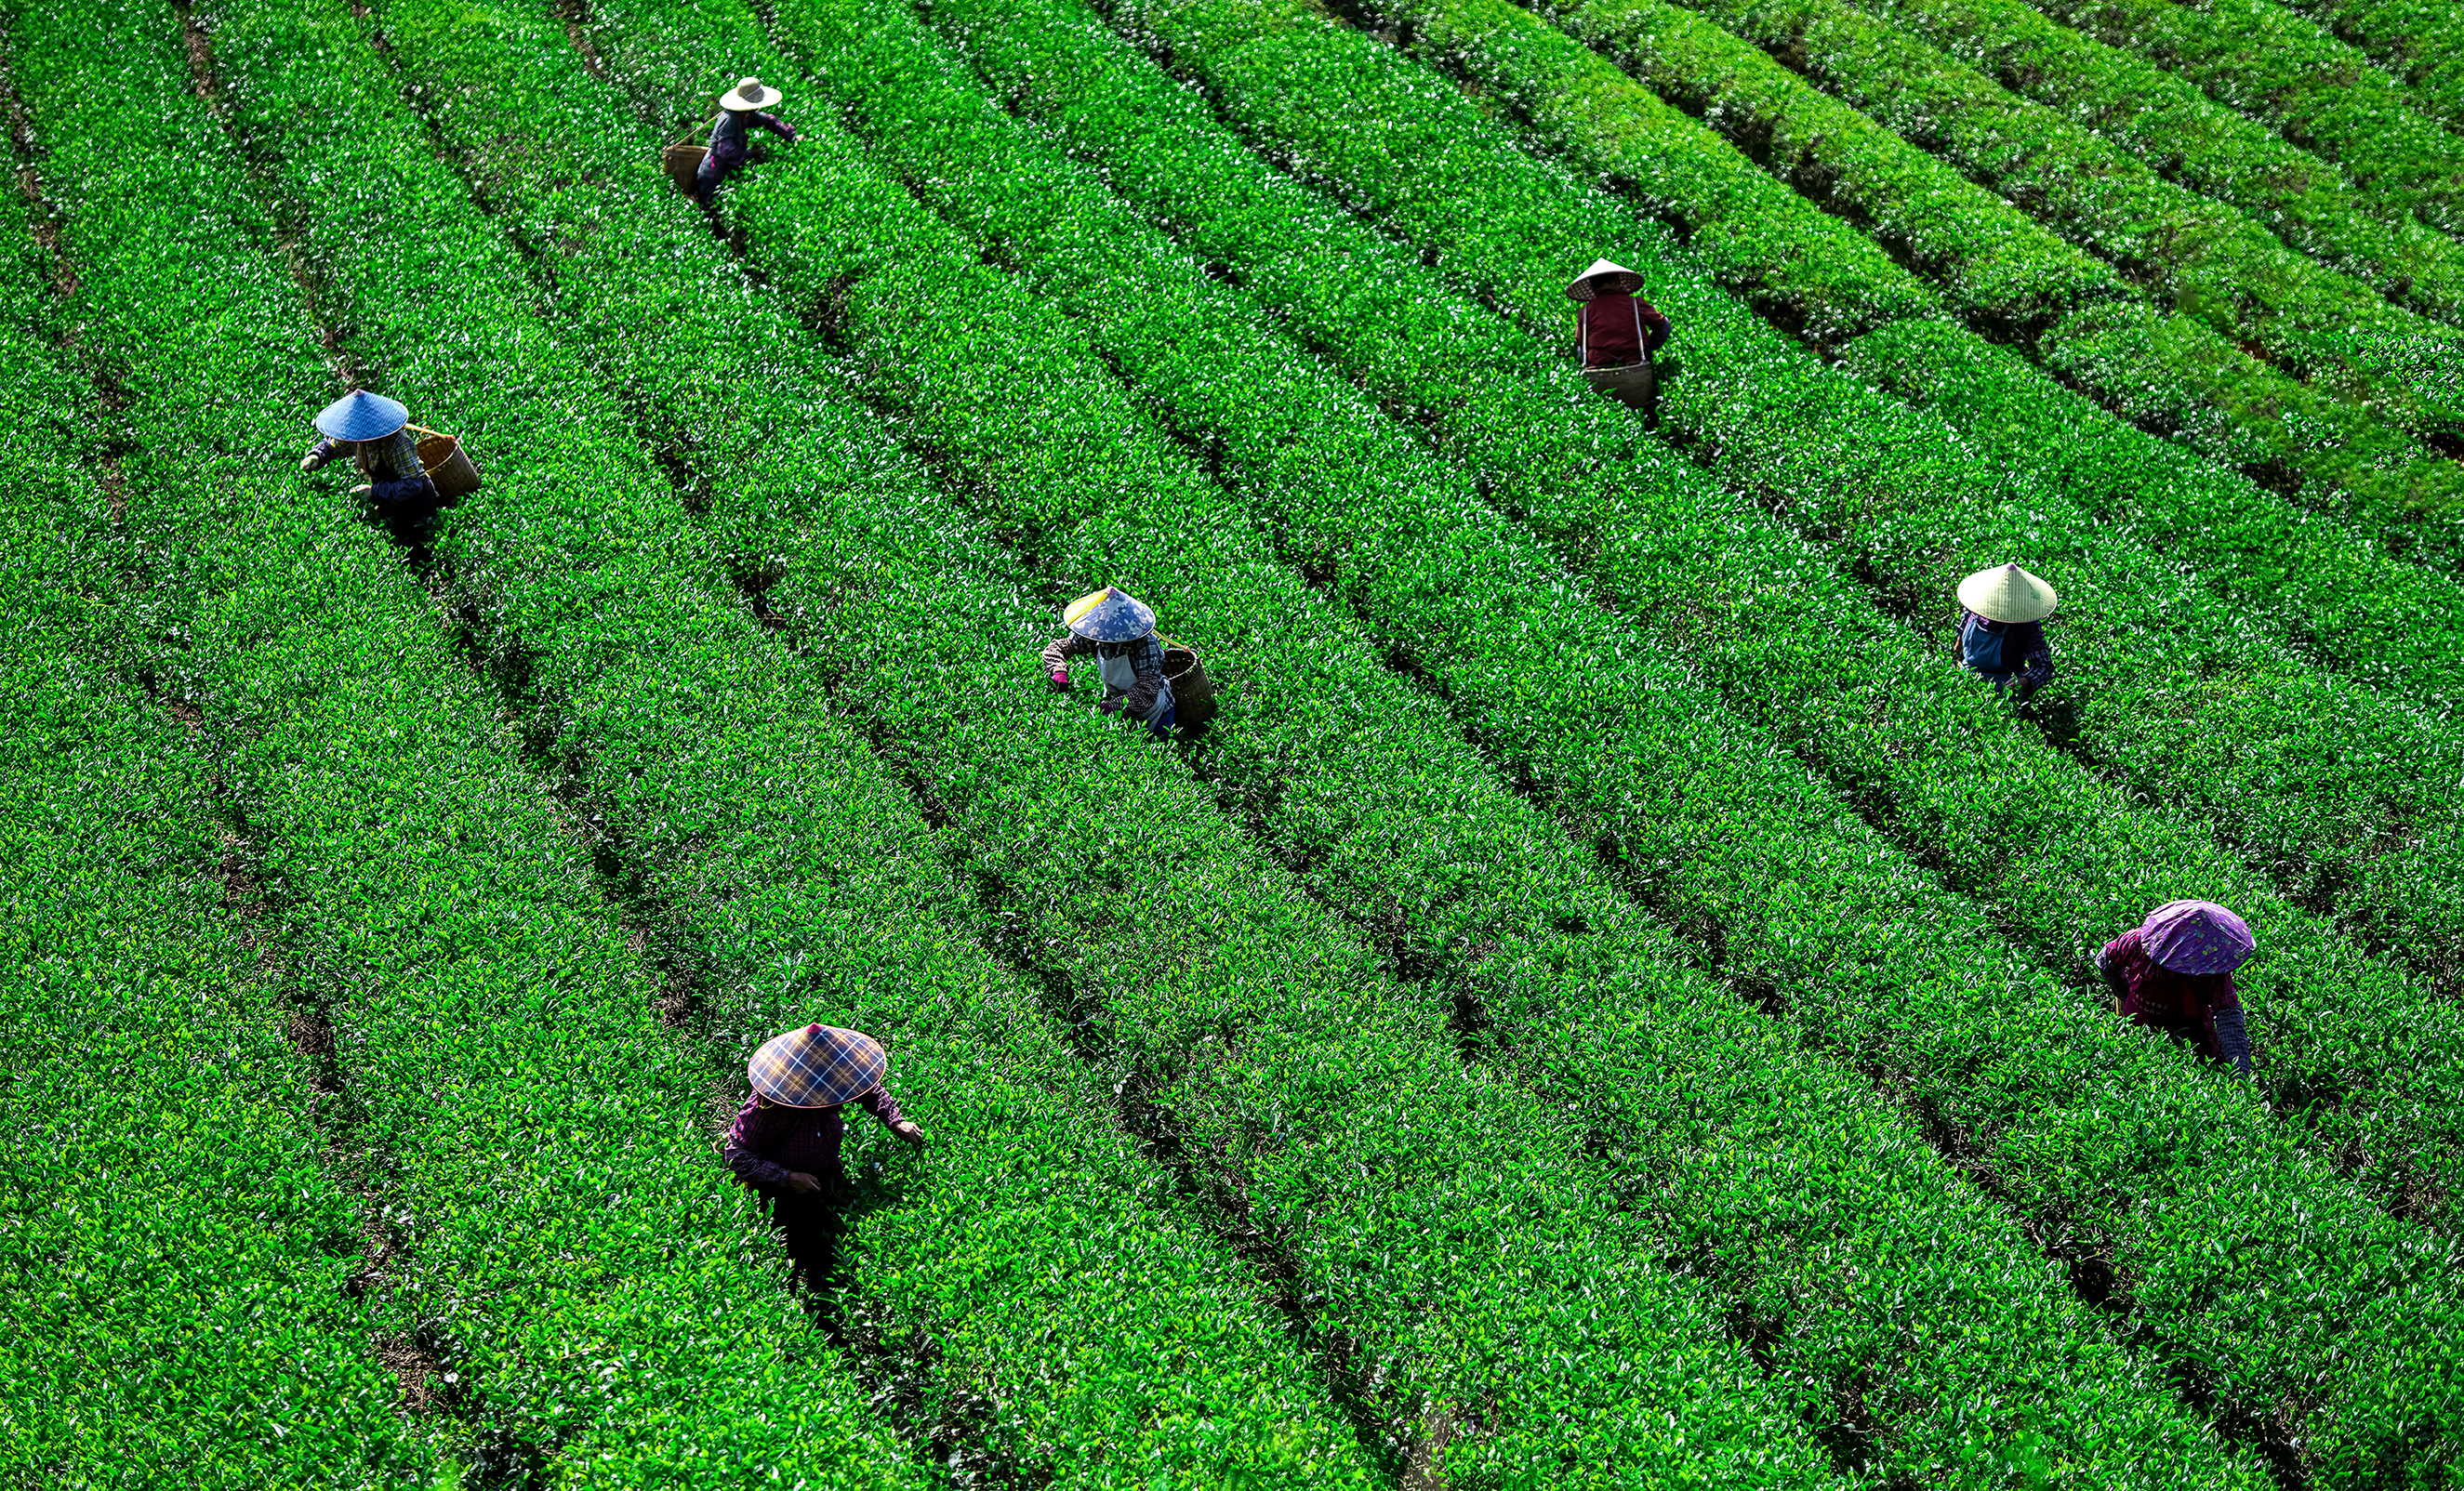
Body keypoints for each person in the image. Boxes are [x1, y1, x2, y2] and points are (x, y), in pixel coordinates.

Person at [722, 1023, 924, 1287]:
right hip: (781, 1196)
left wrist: (895, 1121)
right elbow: (735, 1155)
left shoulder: (833, 1078)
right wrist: (788, 1178)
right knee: (791, 1258)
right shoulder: (769, 1106)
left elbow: (869, 1089)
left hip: (826, 1179)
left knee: (833, 1254)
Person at [2096, 900, 2254, 1076]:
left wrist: (2239, 1075)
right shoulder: (2138, 944)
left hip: (2191, 1050)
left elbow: (2229, 1017)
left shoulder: (2212, 972)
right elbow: (2105, 960)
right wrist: (2124, 994)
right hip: (2135, 1038)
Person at [1042, 586, 1176, 740]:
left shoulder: (1145, 644)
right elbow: (1056, 648)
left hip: (1155, 712)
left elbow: (1146, 693)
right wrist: (1059, 670)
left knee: (1155, 752)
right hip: (1119, 704)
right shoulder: (1097, 632)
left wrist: (1111, 707)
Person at [1566, 258, 1671, 426]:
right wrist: (1648, 347)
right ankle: (1647, 357)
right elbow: (1661, 325)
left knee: (1581, 348)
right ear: (1617, 281)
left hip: (1598, 371)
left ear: (1593, 287)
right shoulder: (1635, 303)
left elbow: (1580, 341)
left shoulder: (1585, 311)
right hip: (1635, 366)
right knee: (1665, 324)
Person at [298, 389, 437, 512]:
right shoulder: (356, 435)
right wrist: (317, 456)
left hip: (416, 506)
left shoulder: (398, 442)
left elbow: (413, 485)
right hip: (388, 502)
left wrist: (373, 492)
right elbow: (333, 447)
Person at [1954, 561, 2056, 701]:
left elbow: (2044, 666)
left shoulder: (2026, 624)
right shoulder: (1978, 605)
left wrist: (2024, 682)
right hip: (1966, 680)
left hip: (2004, 693)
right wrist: (1958, 645)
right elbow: (1963, 628)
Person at [695, 76, 799, 207]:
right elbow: (726, 152)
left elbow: (768, 120)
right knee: (710, 208)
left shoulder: (746, 115)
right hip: (712, 174)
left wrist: (792, 136)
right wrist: (751, 153)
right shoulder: (730, 119)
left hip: (725, 171)